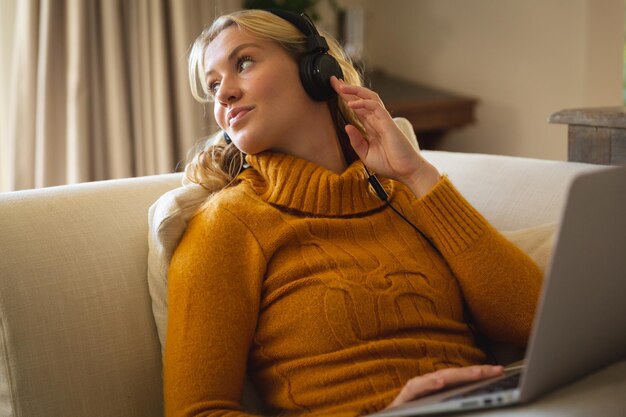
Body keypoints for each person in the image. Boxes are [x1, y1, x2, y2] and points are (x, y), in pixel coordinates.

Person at [164, 9, 542, 417]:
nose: (224, 95)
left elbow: (534, 321)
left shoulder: (402, 195)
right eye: (213, 84)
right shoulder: (227, 225)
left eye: (243, 63)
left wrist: (418, 174)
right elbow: (198, 411)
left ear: (315, 68)